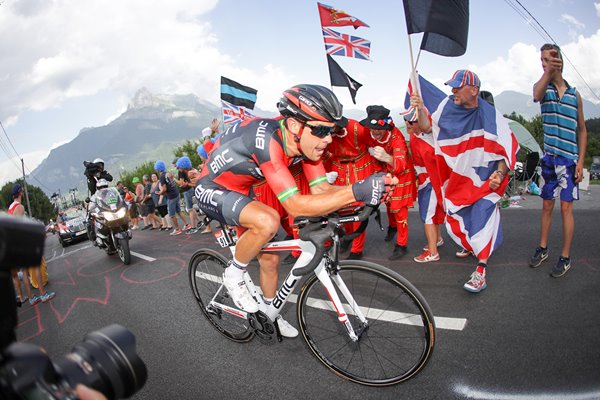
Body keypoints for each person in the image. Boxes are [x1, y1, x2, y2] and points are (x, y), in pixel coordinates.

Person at [195, 84, 393, 337]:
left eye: (332, 130)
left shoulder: (307, 146)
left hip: (242, 190)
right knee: (267, 221)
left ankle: (269, 314)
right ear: (295, 126)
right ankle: (233, 274)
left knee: (270, 258)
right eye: (321, 130)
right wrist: (355, 191)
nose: (329, 139)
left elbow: (321, 191)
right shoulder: (267, 140)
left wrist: (366, 191)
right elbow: (295, 205)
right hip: (210, 187)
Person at [411, 70, 517, 293]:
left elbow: (505, 150)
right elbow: (428, 128)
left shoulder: (492, 117)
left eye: (458, 87)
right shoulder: (447, 109)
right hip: (458, 180)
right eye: (452, 86)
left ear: (474, 90)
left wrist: (499, 172)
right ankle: (472, 248)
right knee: (459, 219)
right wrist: (420, 109)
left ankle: (480, 271)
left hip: (486, 181)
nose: (453, 90)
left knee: (482, 217)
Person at [530, 43, 588, 277]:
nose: (545, 63)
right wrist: (546, 73)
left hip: (569, 160)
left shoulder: (575, 95)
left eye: (550, 59)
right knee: (546, 205)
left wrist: (581, 161)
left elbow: (582, 130)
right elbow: (535, 95)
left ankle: (565, 257)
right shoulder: (544, 90)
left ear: (560, 61)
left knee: (566, 208)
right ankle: (542, 248)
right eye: (542, 60)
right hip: (549, 160)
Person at [360, 106, 416, 260]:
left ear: (386, 127)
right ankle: (392, 227)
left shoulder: (396, 138)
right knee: (388, 203)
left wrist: (387, 158)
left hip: (401, 173)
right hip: (384, 172)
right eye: (373, 128)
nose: (376, 132)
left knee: (400, 209)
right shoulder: (369, 133)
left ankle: (401, 244)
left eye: (379, 129)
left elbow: (401, 164)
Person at [321, 116, 379, 260]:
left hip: (360, 167)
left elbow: (375, 145)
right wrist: (325, 174)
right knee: (341, 208)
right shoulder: (323, 132)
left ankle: (357, 249)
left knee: (359, 208)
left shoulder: (357, 128)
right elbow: (322, 154)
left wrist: (376, 172)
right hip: (338, 169)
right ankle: (347, 238)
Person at [404, 109, 446, 263]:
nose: (408, 124)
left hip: (432, 180)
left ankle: (433, 252)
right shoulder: (413, 135)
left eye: (412, 121)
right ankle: (438, 239)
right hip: (423, 180)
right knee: (431, 212)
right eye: (406, 120)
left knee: (428, 215)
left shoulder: (430, 136)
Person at [8, 183, 56, 305]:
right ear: (20, 193)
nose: (23, 193)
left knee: (24, 271)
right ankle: (43, 294)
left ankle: (31, 298)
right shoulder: (19, 207)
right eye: (22, 191)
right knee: (35, 267)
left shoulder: (11, 207)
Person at [155, 160, 189, 235]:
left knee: (171, 214)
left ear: (157, 169)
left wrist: (160, 193)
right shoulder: (167, 173)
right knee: (179, 211)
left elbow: (164, 189)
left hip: (171, 196)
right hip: (176, 193)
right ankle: (187, 225)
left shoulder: (162, 176)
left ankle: (177, 229)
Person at [175, 156, 200, 234]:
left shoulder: (190, 173)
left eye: (179, 167)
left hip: (197, 190)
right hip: (196, 190)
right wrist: (188, 184)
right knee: (190, 209)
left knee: (189, 209)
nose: (178, 169)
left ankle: (193, 227)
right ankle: (199, 223)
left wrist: (186, 184)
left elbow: (195, 183)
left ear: (183, 166)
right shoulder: (191, 171)